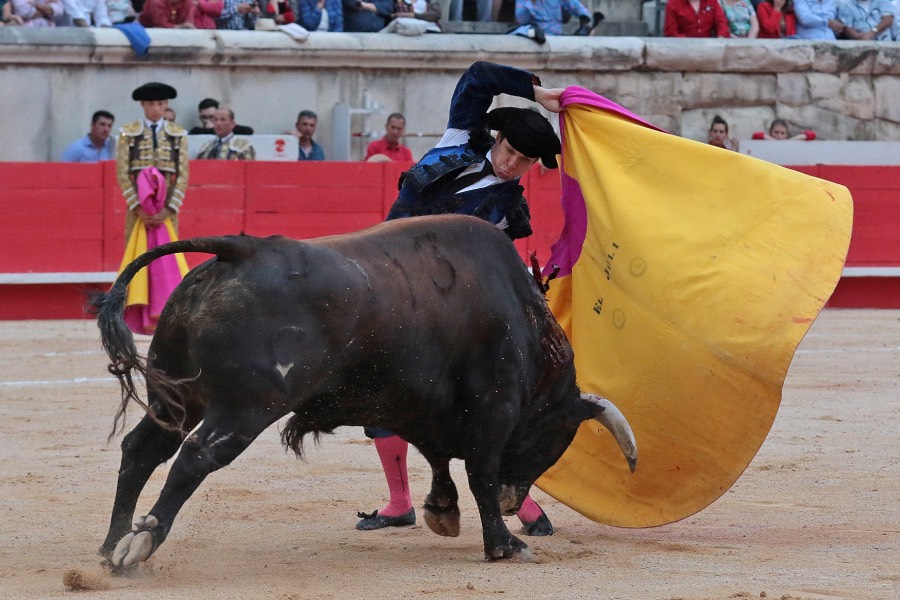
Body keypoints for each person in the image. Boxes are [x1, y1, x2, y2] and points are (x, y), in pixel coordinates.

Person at [356, 61, 564, 537]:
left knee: (471, 405)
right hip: (388, 279)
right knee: (380, 392)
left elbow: (493, 275)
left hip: (443, 314)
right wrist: (537, 91)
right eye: (510, 150)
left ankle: (523, 503)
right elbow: (477, 77)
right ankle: (399, 502)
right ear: (497, 139)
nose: (512, 165)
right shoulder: (459, 141)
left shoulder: (512, 210)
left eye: (525, 161)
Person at [116, 82, 189, 237]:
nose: (156, 109)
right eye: (151, 104)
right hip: (138, 211)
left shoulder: (178, 134)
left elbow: (183, 175)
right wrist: (138, 208)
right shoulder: (128, 134)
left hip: (166, 210)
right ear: (143, 104)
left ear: (166, 104)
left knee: (167, 254)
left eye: (160, 104)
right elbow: (122, 174)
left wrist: (168, 209)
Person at [514, 0, 593, 36]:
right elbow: (520, 19)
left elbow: (575, 5)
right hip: (534, 38)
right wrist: (531, 2)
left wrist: (586, 21)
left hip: (555, 38)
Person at [189, 98, 254, 135]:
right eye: (204, 117)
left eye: (211, 117)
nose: (208, 120)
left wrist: (214, 128)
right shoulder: (196, 131)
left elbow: (249, 131)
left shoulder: (229, 129)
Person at [663, 0, 730, 37]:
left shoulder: (712, 2)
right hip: (682, 50)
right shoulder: (673, 3)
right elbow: (671, 33)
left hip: (708, 48)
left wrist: (721, 38)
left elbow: (721, 22)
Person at [751, 118, 816, 140]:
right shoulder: (765, 142)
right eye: (776, 132)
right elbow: (756, 135)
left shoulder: (789, 144)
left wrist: (790, 141)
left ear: (787, 134)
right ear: (770, 132)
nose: (779, 136)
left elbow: (812, 135)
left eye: (783, 133)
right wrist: (772, 140)